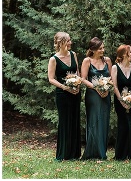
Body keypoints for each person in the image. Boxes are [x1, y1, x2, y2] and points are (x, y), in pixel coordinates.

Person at [47, 32, 82, 161]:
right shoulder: (53, 59)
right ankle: (63, 154)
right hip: (63, 94)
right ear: (61, 42)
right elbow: (51, 79)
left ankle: (74, 153)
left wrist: (77, 85)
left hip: (75, 93)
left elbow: (77, 72)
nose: (70, 42)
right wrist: (65, 87)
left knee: (75, 120)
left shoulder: (73, 55)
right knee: (65, 121)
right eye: (68, 40)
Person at [80, 37, 112, 160]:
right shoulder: (87, 61)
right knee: (94, 121)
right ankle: (92, 152)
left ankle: (101, 152)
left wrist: (107, 88)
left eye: (103, 48)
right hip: (92, 94)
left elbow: (111, 78)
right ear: (93, 50)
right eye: (100, 48)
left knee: (104, 121)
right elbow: (83, 78)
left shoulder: (107, 60)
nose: (103, 50)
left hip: (105, 95)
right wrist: (96, 87)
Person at [111, 45, 131, 160]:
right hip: (119, 101)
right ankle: (120, 154)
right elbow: (115, 86)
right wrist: (122, 100)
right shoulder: (115, 68)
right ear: (123, 54)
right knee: (123, 124)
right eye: (130, 52)